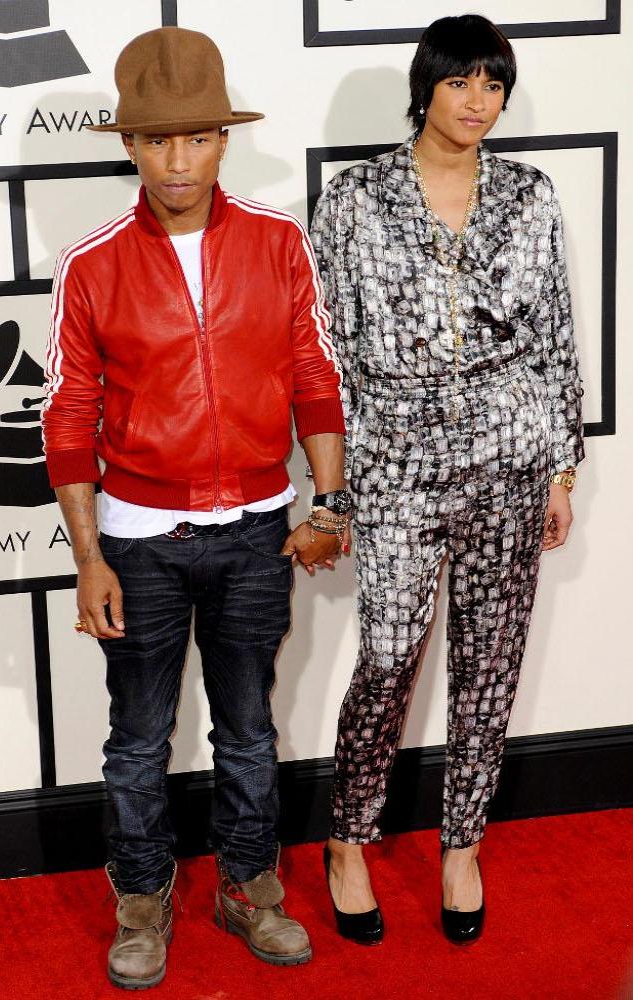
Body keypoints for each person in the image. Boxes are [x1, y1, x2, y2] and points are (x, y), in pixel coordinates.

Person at [42, 27, 352, 989]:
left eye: (198, 137)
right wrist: (91, 557)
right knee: (138, 737)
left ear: (224, 138)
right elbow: (70, 417)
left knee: (250, 727)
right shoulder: (92, 265)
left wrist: (329, 503)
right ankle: (141, 900)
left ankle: (249, 888)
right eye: (158, 140)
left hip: (259, 528)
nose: (179, 160)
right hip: (138, 540)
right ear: (130, 146)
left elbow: (312, 375)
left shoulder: (276, 241)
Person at [311, 13, 584, 946]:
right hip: (393, 461)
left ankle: (461, 843)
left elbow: (554, 336)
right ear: (426, 86)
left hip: (512, 456)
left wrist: (560, 467)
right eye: (462, 81)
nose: (479, 102)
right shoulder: (352, 201)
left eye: (494, 84)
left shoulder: (532, 195)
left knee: (490, 664)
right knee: (388, 655)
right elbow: (328, 356)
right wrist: (333, 489)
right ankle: (347, 836)